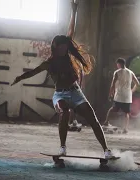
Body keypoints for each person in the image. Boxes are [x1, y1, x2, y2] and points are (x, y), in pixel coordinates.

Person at [11, 0, 113, 159]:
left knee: (92, 119)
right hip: (60, 95)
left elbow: (71, 30)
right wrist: (19, 77)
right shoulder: (49, 63)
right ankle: (63, 147)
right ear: (55, 46)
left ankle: (106, 150)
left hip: (76, 93)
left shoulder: (67, 56)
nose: (65, 48)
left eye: (66, 46)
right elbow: (34, 72)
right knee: (64, 112)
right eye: (62, 47)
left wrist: (74, 10)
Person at [103, 58, 140, 134]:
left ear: (119, 64)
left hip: (119, 95)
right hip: (127, 96)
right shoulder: (131, 72)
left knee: (112, 109)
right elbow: (138, 84)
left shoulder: (117, 72)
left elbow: (112, 84)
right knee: (126, 113)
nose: (117, 66)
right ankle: (125, 128)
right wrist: (131, 91)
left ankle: (106, 122)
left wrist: (110, 94)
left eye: (117, 64)